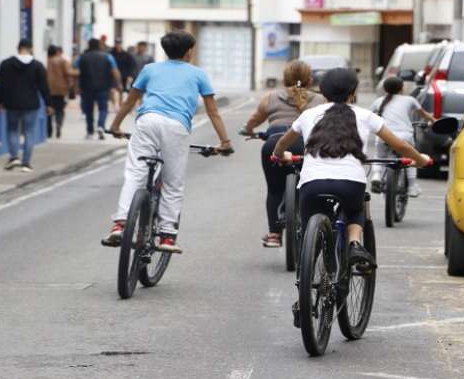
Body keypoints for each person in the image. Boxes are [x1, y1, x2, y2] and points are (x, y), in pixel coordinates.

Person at [272, 68, 431, 270]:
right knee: (355, 210)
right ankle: (354, 243)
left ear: (322, 91)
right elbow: (401, 146)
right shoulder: (366, 115)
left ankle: (309, 270)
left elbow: (282, 143)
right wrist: (420, 160)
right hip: (350, 183)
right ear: (353, 92)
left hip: (312, 184)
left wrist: (280, 155)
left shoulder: (308, 115)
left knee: (309, 229)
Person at [101, 30, 234, 254]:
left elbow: (129, 102)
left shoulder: (150, 69)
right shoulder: (198, 74)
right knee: (173, 182)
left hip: (147, 121)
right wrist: (225, 142)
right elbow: (213, 112)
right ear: (189, 51)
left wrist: (115, 127)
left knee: (135, 174)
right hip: (176, 126)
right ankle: (167, 235)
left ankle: (120, 224)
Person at [239, 60, 325, 248]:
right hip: (307, 145)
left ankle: (274, 235)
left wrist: (247, 130)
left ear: (284, 79)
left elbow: (254, 121)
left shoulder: (270, 97)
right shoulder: (320, 100)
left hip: (274, 143)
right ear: (310, 80)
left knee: (275, 189)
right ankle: (311, 230)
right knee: (308, 186)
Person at [369, 76, 435, 197]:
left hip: (384, 135)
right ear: (402, 88)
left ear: (384, 89)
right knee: (411, 157)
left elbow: (369, 116)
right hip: (404, 136)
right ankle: (411, 187)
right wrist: (433, 120)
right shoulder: (409, 100)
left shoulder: (379, 101)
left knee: (379, 156)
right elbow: (424, 115)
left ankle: (376, 176)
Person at [0, 39, 52, 173]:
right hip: (31, 104)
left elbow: (0, 84)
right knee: (29, 132)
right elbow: (44, 87)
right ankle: (26, 163)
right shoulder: (37, 65)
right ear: (31, 48)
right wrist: (49, 104)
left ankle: (14, 157)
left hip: (12, 103)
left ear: (18, 48)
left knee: (12, 130)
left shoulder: (6, 64)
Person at [77, 38, 122, 140]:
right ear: (99, 45)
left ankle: (89, 132)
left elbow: (76, 73)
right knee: (103, 109)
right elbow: (115, 71)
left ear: (88, 45)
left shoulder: (82, 58)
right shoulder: (108, 57)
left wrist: (76, 87)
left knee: (88, 110)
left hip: (86, 87)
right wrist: (118, 84)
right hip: (104, 87)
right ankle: (101, 126)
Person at [47, 45, 77, 139]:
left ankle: (49, 130)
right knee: (60, 110)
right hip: (61, 89)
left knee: (49, 109)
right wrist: (79, 72)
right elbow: (69, 72)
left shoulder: (47, 62)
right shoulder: (63, 61)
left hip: (49, 89)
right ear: (57, 52)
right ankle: (59, 125)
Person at [110, 39, 137, 106]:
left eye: (119, 43)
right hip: (112, 75)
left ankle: (120, 104)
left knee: (121, 91)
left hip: (124, 75)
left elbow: (132, 65)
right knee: (112, 90)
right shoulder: (111, 54)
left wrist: (130, 75)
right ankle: (114, 105)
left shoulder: (126, 55)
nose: (118, 45)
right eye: (117, 43)